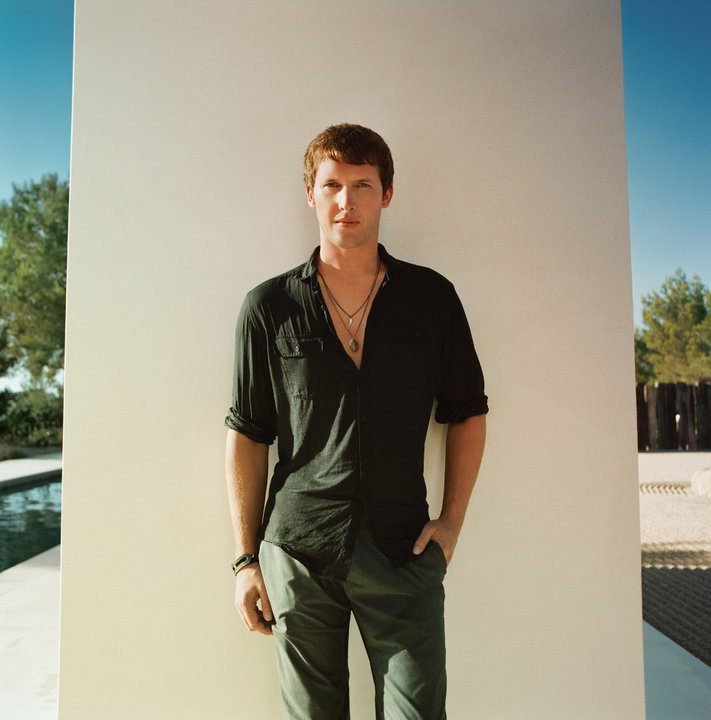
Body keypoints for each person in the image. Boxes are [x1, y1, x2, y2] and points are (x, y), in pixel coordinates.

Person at [225, 123, 488, 720]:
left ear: (386, 194)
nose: (347, 201)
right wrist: (245, 561)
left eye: (363, 185)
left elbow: (468, 413)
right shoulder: (269, 307)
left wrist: (451, 523)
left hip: (403, 547)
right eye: (333, 185)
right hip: (298, 550)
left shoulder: (432, 299)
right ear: (311, 195)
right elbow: (246, 436)